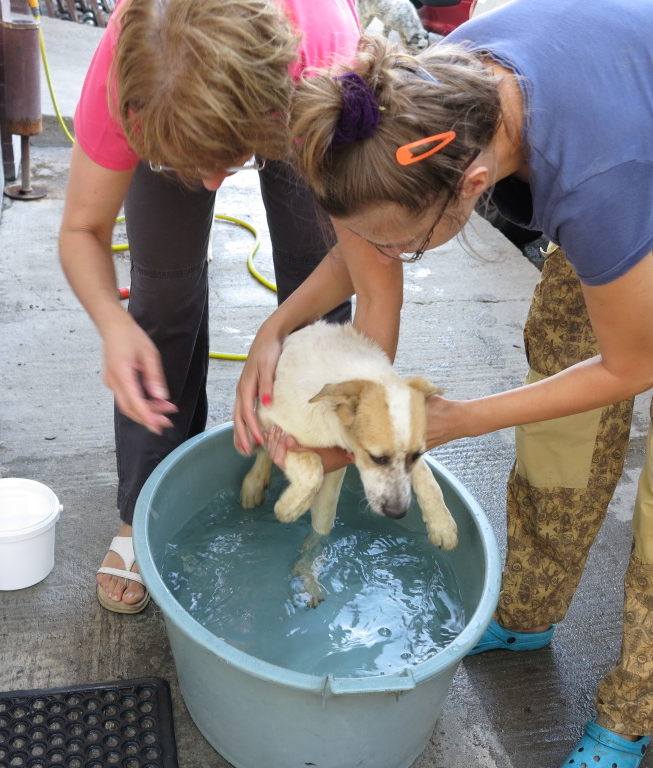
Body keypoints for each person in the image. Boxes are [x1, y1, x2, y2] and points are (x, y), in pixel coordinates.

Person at [233, 0, 653, 764]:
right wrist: (276, 331)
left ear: (473, 186)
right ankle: (526, 613)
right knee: (560, 432)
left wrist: (464, 418)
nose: (387, 256)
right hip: (646, 154)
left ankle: (632, 712)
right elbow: (365, 271)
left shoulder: (593, 179)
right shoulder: (397, 123)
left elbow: (634, 365)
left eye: (403, 244)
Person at [59, 0, 404, 614]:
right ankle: (144, 509)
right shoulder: (133, 67)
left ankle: (316, 465)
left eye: (230, 160)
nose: (214, 183)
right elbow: (82, 229)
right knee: (161, 292)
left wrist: (291, 342)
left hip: (296, 89)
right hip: (183, 83)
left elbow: (369, 274)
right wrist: (113, 324)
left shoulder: (326, 62)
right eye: (190, 166)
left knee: (315, 279)